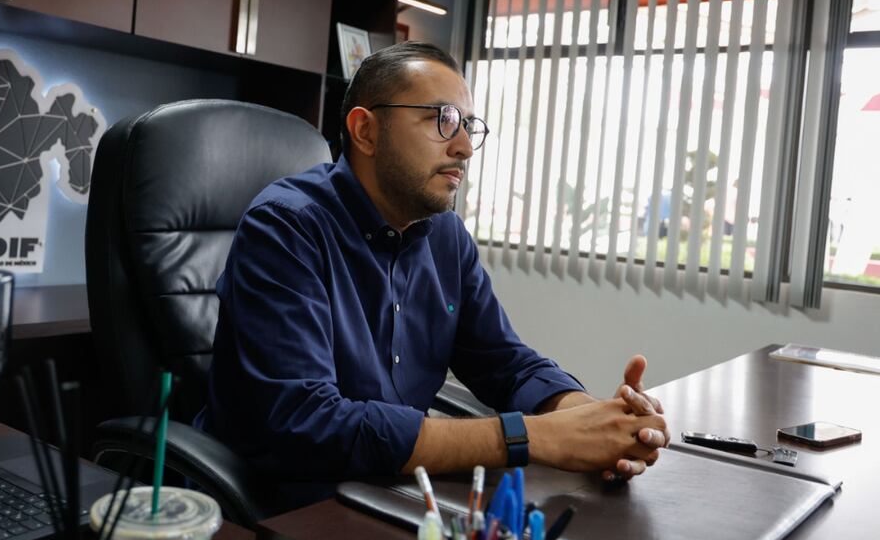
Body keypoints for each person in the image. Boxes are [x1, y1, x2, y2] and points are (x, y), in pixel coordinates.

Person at [198, 42, 669, 500]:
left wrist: (593, 420)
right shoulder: (286, 226)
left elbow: (503, 362)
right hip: (286, 505)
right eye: (442, 120)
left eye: (468, 125)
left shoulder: (445, 236)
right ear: (365, 131)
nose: (465, 147)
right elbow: (308, 424)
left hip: (395, 488)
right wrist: (533, 436)